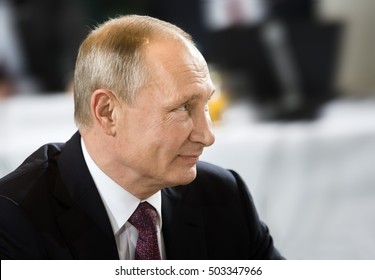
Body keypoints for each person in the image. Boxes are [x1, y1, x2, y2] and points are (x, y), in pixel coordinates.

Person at [0, 15, 283, 260]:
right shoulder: (15, 218)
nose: (207, 136)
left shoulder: (224, 196)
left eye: (205, 105)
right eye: (183, 108)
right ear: (107, 112)